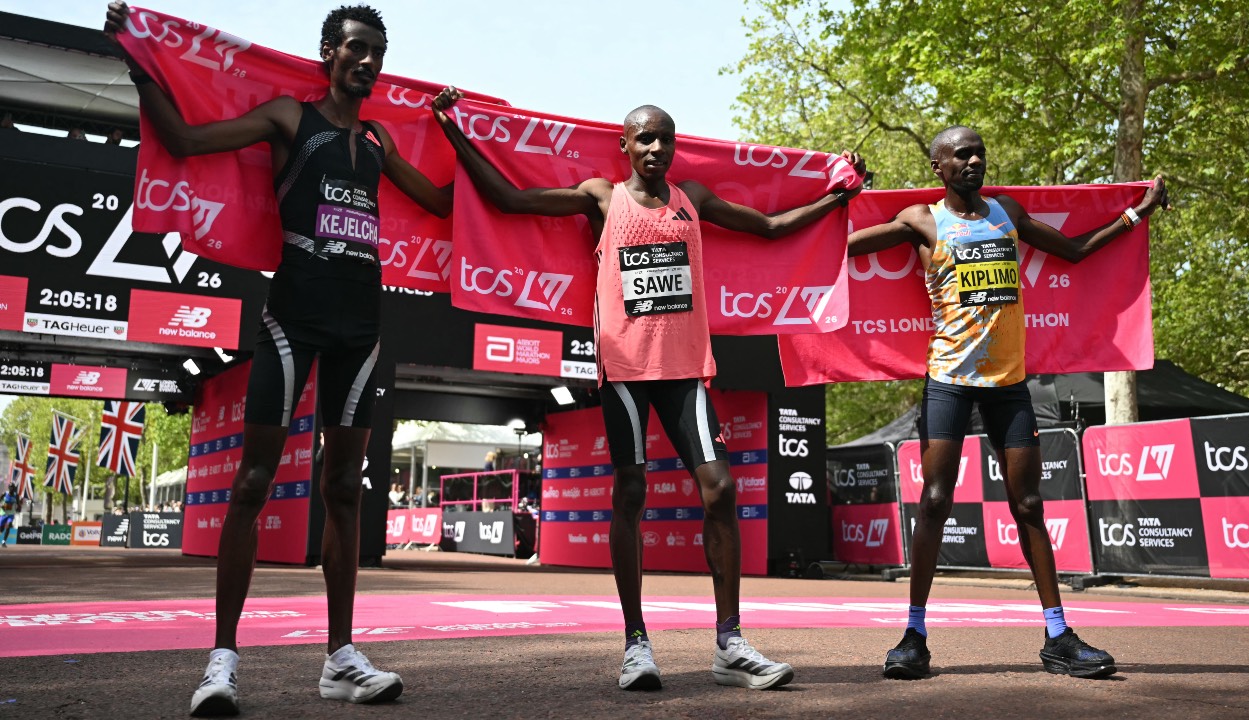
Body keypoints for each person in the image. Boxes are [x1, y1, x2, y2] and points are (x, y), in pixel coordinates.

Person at [432, 89, 862, 691]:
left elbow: (768, 227)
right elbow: (508, 199)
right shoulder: (601, 198)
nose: (657, 147)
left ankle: (729, 643)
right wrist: (454, 131)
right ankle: (636, 643)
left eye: (667, 138)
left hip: (686, 370)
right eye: (646, 138)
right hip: (626, 371)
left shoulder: (694, 200)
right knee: (630, 492)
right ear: (625, 145)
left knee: (720, 490)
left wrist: (837, 195)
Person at [105, 2, 454, 715]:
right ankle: (222, 662)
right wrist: (139, 59)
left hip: (361, 328)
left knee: (344, 491)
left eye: (377, 52)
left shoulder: (381, 142)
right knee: (253, 481)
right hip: (293, 319)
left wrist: (460, 130)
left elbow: (443, 201)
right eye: (355, 48)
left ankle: (340, 659)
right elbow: (183, 137)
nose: (367, 61)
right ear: (328, 52)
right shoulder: (288, 120)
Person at [845, 125, 1168, 680]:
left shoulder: (1007, 213)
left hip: (1009, 384)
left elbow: (1074, 250)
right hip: (949, 380)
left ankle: (1059, 635)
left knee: (1028, 506)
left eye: (979, 153)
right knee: (936, 501)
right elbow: (838, 250)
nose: (974, 161)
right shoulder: (920, 221)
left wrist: (1138, 213)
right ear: (937, 167)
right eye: (960, 155)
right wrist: (842, 196)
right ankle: (913, 638)